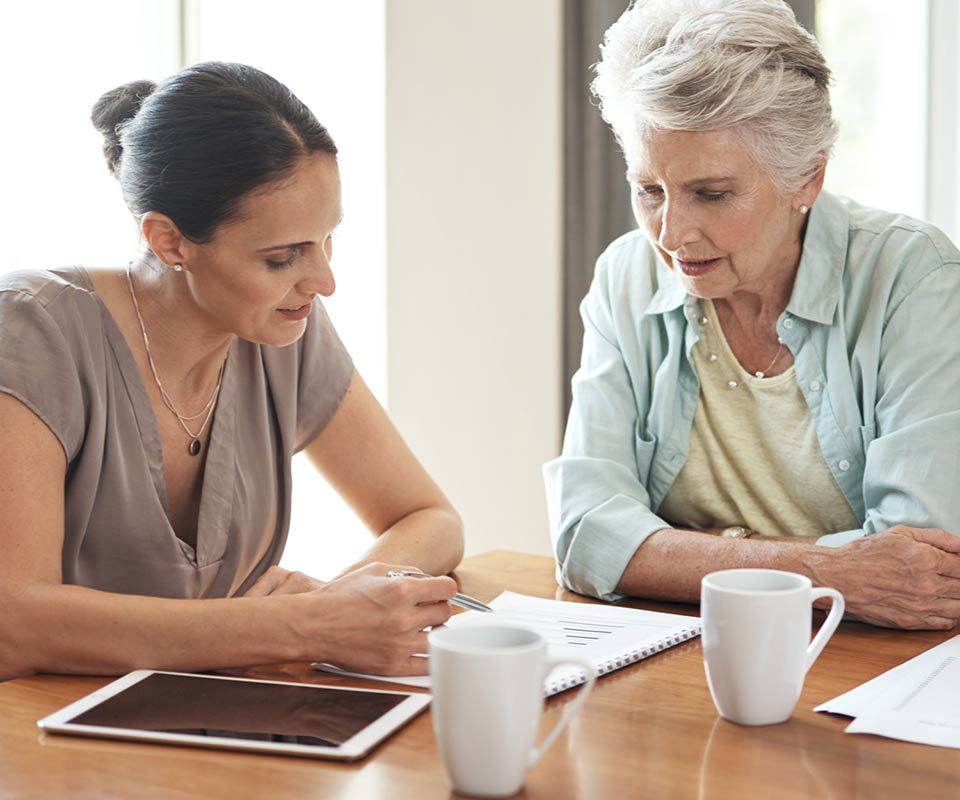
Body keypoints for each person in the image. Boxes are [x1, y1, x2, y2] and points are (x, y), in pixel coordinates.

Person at [0, 62, 463, 679]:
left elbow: (429, 519)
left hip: (212, 724)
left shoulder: (283, 328)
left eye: (328, 240)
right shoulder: (33, 330)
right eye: (280, 258)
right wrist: (305, 627)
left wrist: (340, 606)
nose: (324, 281)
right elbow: (13, 622)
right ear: (170, 242)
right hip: (40, 743)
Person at [545, 0, 960, 630]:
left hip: (866, 663)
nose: (672, 234)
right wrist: (832, 572)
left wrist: (677, 556)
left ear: (807, 180)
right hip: (688, 649)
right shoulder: (625, 276)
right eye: (648, 190)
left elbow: (923, 570)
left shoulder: (913, 278)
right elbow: (585, 535)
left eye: (711, 194)